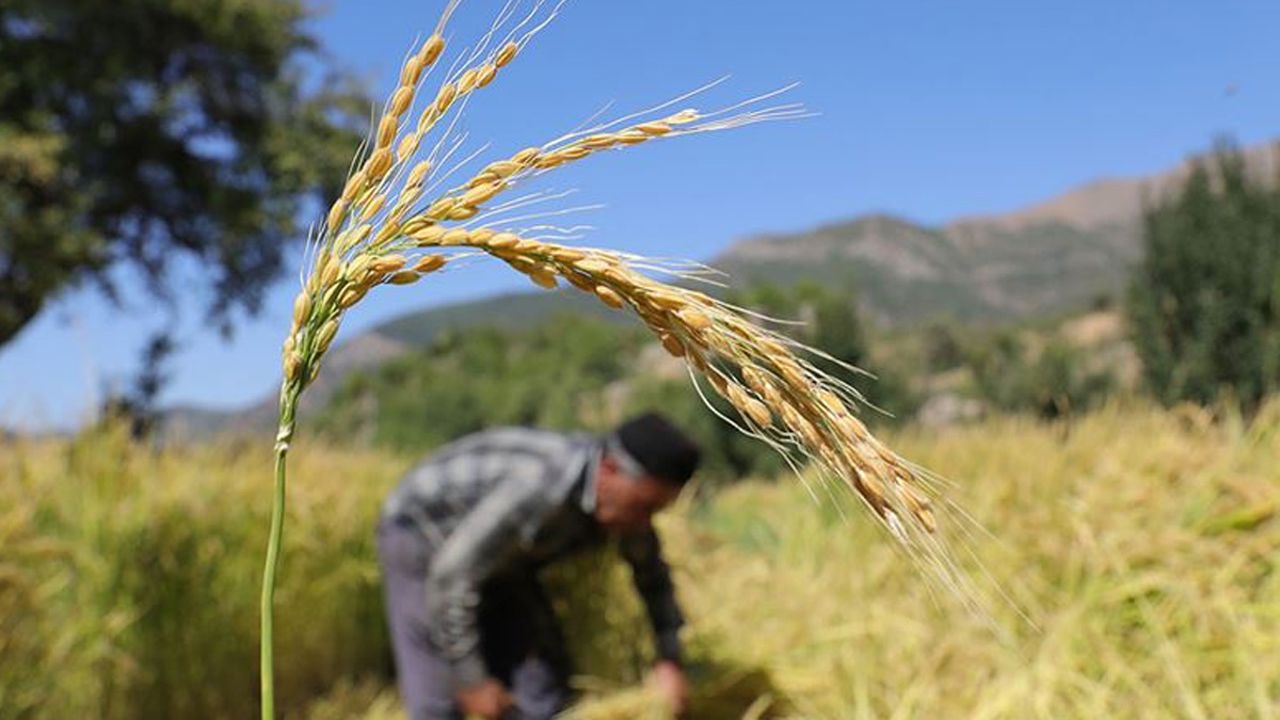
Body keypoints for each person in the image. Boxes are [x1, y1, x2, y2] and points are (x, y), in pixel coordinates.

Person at [376, 412, 700, 719]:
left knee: (541, 688)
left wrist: (669, 660)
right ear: (610, 470)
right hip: (423, 534)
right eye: (644, 506)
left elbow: (654, 580)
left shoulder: (630, 516)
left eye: (657, 511)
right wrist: (470, 679)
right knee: (440, 699)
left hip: (504, 557)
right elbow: (451, 578)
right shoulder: (541, 485)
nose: (646, 522)